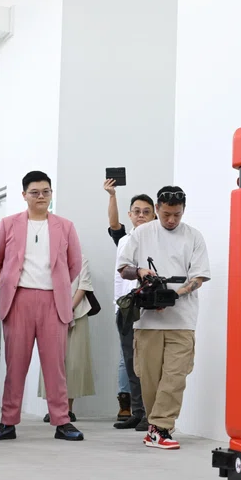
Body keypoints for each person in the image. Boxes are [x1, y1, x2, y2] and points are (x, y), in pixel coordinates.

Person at [0, 171, 84, 443]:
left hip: (54, 301)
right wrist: (9, 282)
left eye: (46, 192)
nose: (41, 196)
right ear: (24, 195)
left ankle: (62, 421)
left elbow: (74, 264)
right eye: (35, 192)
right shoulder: (8, 223)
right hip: (19, 300)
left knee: (55, 365)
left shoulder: (65, 226)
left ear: (51, 194)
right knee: (15, 365)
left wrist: (59, 286)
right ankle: (7, 422)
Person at [117, 186, 210, 450]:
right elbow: (124, 268)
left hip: (182, 319)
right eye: (167, 214)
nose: (171, 220)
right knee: (149, 379)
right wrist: (142, 273)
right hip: (147, 321)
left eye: (177, 215)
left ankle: (160, 427)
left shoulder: (193, 236)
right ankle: (155, 427)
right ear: (157, 209)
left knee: (175, 377)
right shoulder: (141, 233)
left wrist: (174, 296)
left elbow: (199, 277)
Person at [105, 179, 155, 430]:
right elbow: (113, 224)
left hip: (148, 309)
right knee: (131, 361)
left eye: (147, 212)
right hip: (125, 309)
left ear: (154, 214)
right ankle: (136, 410)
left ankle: (150, 414)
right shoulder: (124, 240)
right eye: (137, 211)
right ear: (130, 215)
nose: (141, 216)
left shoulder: (158, 240)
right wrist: (112, 195)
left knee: (148, 363)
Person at [39, 257, 96, 422]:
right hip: (51, 313)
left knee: (73, 363)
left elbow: (84, 285)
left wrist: (68, 310)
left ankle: (68, 409)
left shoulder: (81, 258)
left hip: (77, 314)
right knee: (51, 362)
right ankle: (53, 407)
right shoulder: (48, 257)